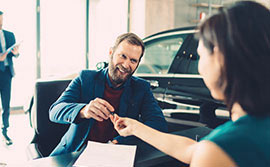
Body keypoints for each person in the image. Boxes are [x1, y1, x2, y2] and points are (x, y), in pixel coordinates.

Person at [110, 1, 270, 167]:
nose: (200, 68)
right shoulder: (253, 131)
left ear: (220, 57)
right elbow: (193, 150)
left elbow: (206, 153)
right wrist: (136, 128)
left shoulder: (217, 152)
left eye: (200, 56)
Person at [49, 32, 168, 156]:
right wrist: (84, 110)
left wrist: (118, 142)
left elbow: (158, 125)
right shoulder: (85, 78)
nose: (126, 65)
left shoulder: (141, 87)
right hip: (75, 153)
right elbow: (54, 111)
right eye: (122, 56)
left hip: (114, 154)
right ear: (111, 53)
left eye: (133, 60)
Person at [0, 11, 20, 146]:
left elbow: (15, 55)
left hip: (7, 73)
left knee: (6, 104)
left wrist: (16, 53)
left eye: (1, 20)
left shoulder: (9, 34)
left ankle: (5, 131)